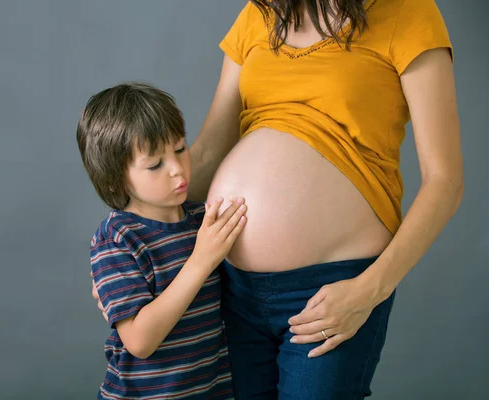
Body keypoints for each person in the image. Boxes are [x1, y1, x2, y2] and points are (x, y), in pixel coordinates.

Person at [93, 0, 463, 397]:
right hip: (232, 288)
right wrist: (121, 254)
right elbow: (203, 155)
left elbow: (445, 180)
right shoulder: (258, 15)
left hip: (332, 289)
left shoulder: (408, 14)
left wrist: (371, 290)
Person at [76, 82, 247, 399]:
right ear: (116, 181)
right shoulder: (117, 238)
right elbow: (140, 341)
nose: (177, 169)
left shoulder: (201, 220)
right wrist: (202, 260)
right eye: (155, 164)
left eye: (181, 149)